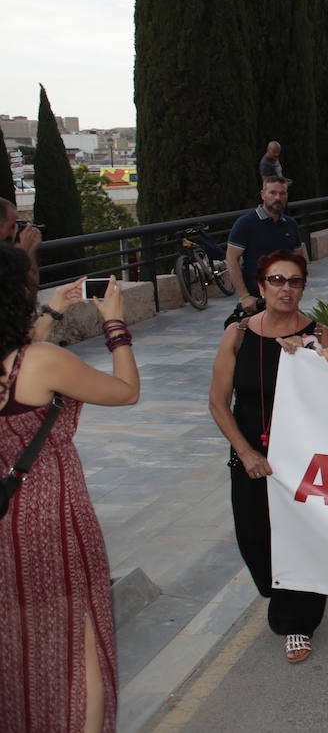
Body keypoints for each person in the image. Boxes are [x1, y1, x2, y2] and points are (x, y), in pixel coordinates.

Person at [1, 251, 139, 733]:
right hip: (51, 518)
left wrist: (53, 312)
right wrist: (116, 324)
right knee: (80, 642)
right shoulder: (40, 363)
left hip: (2, 529)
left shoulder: (21, 362)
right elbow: (126, 390)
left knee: (13, 640)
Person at [209, 250, 328, 665]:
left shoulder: (318, 335)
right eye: (277, 280)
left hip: (299, 462)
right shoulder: (238, 334)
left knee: (299, 543)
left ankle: (297, 621)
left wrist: (318, 359)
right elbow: (218, 402)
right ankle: (278, 591)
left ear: (303, 287)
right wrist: (245, 452)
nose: (286, 288)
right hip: (250, 459)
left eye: (294, 281)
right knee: (255, 542)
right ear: (261, 287)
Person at [226, 177, 305, 319]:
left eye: (282, 194)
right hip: (256, 303)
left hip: (285, 300)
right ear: (263, 194)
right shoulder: (245, 223)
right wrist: (244, 296)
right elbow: (231, 259)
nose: (277, 198)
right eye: (273, 193)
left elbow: (299, 260)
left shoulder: (290, 224)